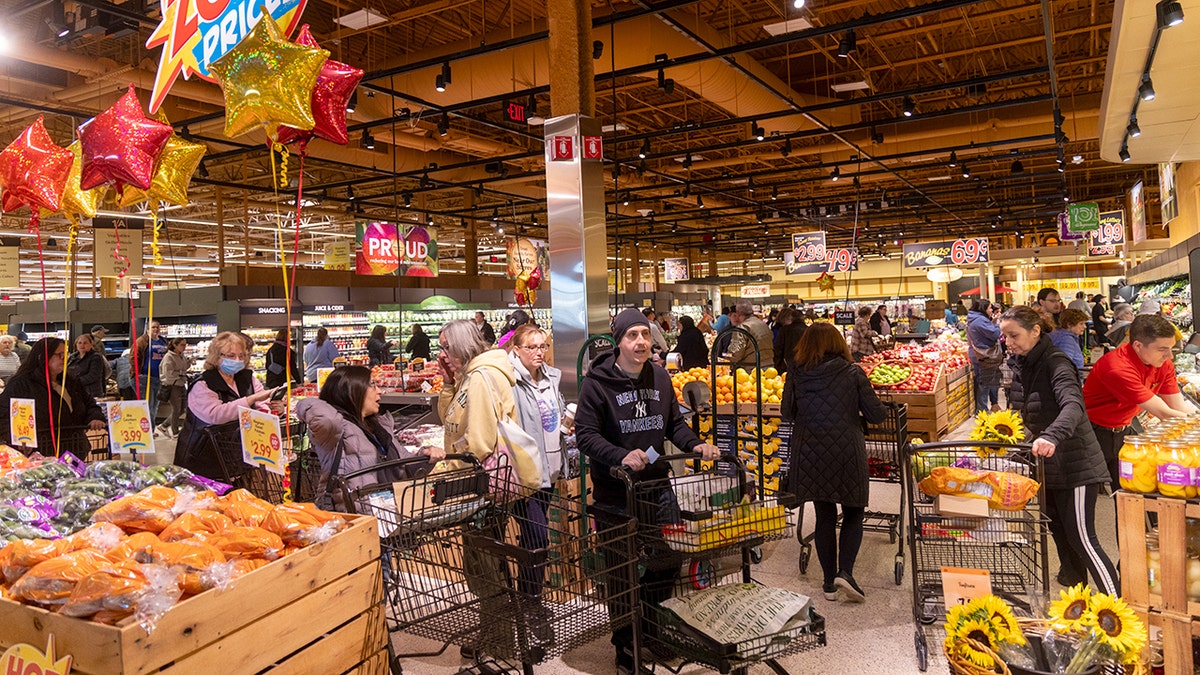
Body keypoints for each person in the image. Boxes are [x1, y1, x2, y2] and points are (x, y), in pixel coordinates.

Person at [575, 308, 720, 673]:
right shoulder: (597, 383)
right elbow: (586, 436)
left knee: (669, 558)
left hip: (658, 487)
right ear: (618, 342)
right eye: (632, 336)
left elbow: (673, 425)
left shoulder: (659, 376)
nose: (640, 342)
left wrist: (696, 444)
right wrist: (621, 455)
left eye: (644, 334)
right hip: (616, 494)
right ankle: (625, 645)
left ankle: (652, 630)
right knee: (622, 573)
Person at [1001, 306, 1118, 593]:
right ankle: (1078, 598)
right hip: (1047, 465)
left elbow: (1073, 406)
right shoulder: (1023, 363)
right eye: (1004, 336)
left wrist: (1052, 436)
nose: (1008, 342)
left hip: (1075, 467)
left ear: (1035, 330)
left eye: (1014, 335)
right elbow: (1028, 412)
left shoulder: (1056, 362)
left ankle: (1116, 608)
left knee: (1083, 539)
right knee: (1060, 535)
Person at [782, 322, 886, 602]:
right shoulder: (852, 372)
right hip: (846, 450)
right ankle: (846, 573)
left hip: (811, 451)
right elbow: (876, 415)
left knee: (824, 514)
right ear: (838, 343)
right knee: (853, 511)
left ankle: (828, 583)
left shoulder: (795, 373)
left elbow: (786, 412)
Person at [296, 366, 443, 510]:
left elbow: (406, 468)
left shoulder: (380, 428)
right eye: (372, 385)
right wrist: (309, 403)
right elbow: (326, 419)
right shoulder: (336, 431)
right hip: (355, 519)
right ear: (352, 389)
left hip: (389, 514)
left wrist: (425, 457)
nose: (380, 391)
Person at [1084, 314, 1197, 491]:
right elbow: (1164, 413)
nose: (1169, 356)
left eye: (1171, 348)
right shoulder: (1117, 367)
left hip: (1123, 432)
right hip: (1090, 433)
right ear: (1137, 345)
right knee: (1085, 494)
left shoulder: (1162, 364)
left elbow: (1177, 407)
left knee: (1130, 492)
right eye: (1162, 349)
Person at [506, 324, 566, 623]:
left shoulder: (551, 378)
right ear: (516, 349)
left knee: (534, 540)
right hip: (524, 474)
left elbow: (555, 416)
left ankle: (528, 599)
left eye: (542, 346)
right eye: (531, 347)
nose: (539, 352)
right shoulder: (510, 382)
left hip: (550, 470)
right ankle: (529, 602)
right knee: (537, 535)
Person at [176, 332, 278, 480]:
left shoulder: (247, 379)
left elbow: (262, 403)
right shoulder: (203, 384)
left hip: (237, 461)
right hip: (203, 462)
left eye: (241, 356)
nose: (237, 360)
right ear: (216, 357)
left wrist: (271, 409)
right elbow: (216, 415)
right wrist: (250, 400)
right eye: (231, 356)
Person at [0, 338, 105, 459]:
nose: (64, 358)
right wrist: (14, 438)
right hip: (39, 455)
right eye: (59, 355)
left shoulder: (71, 381)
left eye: (65, 354)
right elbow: (3, 414)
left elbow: (89, 403)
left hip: (75, 451)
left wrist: (95, 417)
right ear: (42, 357)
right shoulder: (22, 384)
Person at [966, 299, 1003, 413]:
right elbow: (995, 334)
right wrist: (997, 325)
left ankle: (992, 405)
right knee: (985, 382)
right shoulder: (980, 320)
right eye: (990, 308)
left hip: (978, 354)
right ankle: (982, 410)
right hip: (985, 355)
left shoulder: (974, 318)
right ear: (983, 309)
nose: (991, 310)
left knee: (988, 380)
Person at [134, 320, 168, 424]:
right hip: (145, 377)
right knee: (147, 405)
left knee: (155, 405)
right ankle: (147, 429)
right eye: (153, 327)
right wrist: (137, 373)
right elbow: (133, 356)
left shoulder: (163, 341)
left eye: (157, 327)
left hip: (159, 378)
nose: (156, 329)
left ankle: (151, 429)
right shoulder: (142, 341)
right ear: (148, 329)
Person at [158, 337, 192, 439]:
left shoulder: (181, 356)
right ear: (175, 345)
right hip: (172, 386)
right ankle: (175, 432)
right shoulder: (169, 357)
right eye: (182, 345)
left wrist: (189, 363)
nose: (184, 347)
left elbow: (184, 367)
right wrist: (181, 374)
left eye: (185, 344)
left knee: (182, 409)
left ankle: (164, 426)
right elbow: (168, 373)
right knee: (176, 409)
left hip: (181, 384)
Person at [726, 299, 775, 369]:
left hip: (752, 369)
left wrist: (726, 359)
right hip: (770, 366)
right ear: (752, 311)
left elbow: (736, 352)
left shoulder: (742, 328)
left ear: (738, 313)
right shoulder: (763, 325)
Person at [67, 334, 106, 399]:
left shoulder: (96, 357)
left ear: (91, 344)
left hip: (91, 393)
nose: (82, 345)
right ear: (76, 345)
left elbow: (93, 376)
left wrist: (75, 382)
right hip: (75, 392)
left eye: (85, 343)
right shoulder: (72, 357)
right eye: (79, 343)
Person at [773, 306, 806, 373]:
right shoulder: (808, 330)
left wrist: (778, 366)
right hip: (805, 364)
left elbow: (778, 349)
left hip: (787, 365)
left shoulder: (784, 330)